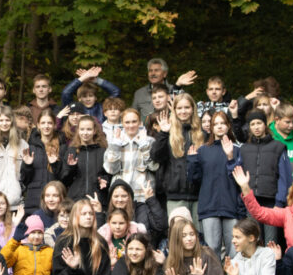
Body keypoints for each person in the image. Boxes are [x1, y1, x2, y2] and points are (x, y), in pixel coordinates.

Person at [189, 110, 243, 259]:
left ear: (228, 126)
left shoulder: (238, 150)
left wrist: (230, 156)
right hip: (209, 207)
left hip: (231, 207)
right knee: (212, 251)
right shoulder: (203, 150)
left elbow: (239, 180)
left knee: (235, 251)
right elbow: (194, 180)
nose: (219, 126)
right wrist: (192, 161)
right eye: (216, 124)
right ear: (211, 128)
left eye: (223, 123)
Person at [237, 109, 291, 246]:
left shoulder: (278, 147)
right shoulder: (244, 149)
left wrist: (279, 203)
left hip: (271, 203)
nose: (256, 127)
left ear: (265, 125)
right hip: (251, 202)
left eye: (259, 123)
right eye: (253, 124)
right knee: (253, 241)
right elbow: (238, 174)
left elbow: (285, 178)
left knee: (271, 242)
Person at [152, 93, 203, 222]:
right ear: (174, 110)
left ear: (193, 109)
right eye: (179, 108)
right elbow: (156, 156)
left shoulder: (202, 133)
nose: (183, 111)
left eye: (187, 107)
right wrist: (163, 133)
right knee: (178, 232)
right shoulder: (168, 132)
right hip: (175, 195)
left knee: (198, 233)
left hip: (199, 195)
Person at [104, 107, 157, 202]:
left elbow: (154, 167)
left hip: (143, 193)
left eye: (134, 121)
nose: (131, 125)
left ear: (140, 122)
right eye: (127, 122)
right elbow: (111, 170)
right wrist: (115, 146)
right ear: (122, 123)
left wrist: (144, 147)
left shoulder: (150, 141)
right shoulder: (115, 142)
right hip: (121, 194)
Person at [60, 115, 109, 207]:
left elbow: (108, 174)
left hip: (97, 199)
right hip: (75, 200)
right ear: (78, 131)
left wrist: (105, 181)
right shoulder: (71, 151)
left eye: (89, 129)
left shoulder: (103, 151)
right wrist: (71, 167)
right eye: (82, 129)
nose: (85, 133)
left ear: (94, 131)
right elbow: (65, 180)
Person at [20, 110, 63, 211]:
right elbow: (25, 180)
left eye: (49, 123)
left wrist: (54, 164)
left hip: (55, 202)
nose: (46, 126)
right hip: (34, 200)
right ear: (38, 125)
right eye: (43, 123)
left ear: (54, 125)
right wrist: (28, 166)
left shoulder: (62, 147)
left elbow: (64, 178)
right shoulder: (31, 147)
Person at [131, 58, 196, 119]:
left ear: (165, 74)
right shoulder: (139, 93)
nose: (153, 73)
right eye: (150, 71)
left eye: (156, 70)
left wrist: (177, 86)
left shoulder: (176, 90)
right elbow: (132, 115)